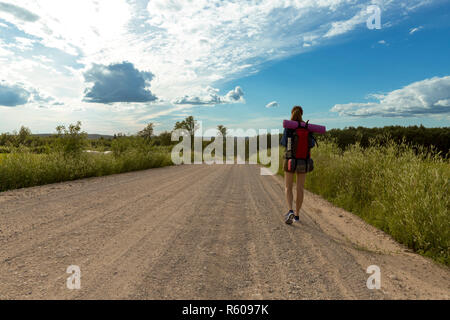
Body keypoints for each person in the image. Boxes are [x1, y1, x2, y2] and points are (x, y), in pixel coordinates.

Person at [280, 106, 315, 225]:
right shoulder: (307, 127)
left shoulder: (289, 126)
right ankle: (297, 215)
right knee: (300, 188)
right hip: (303, 162)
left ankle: (290, 210)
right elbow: (311, 144)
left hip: (290, 160)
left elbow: (284, 142)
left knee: (288, 187)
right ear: (302, 114)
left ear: (292, 113)